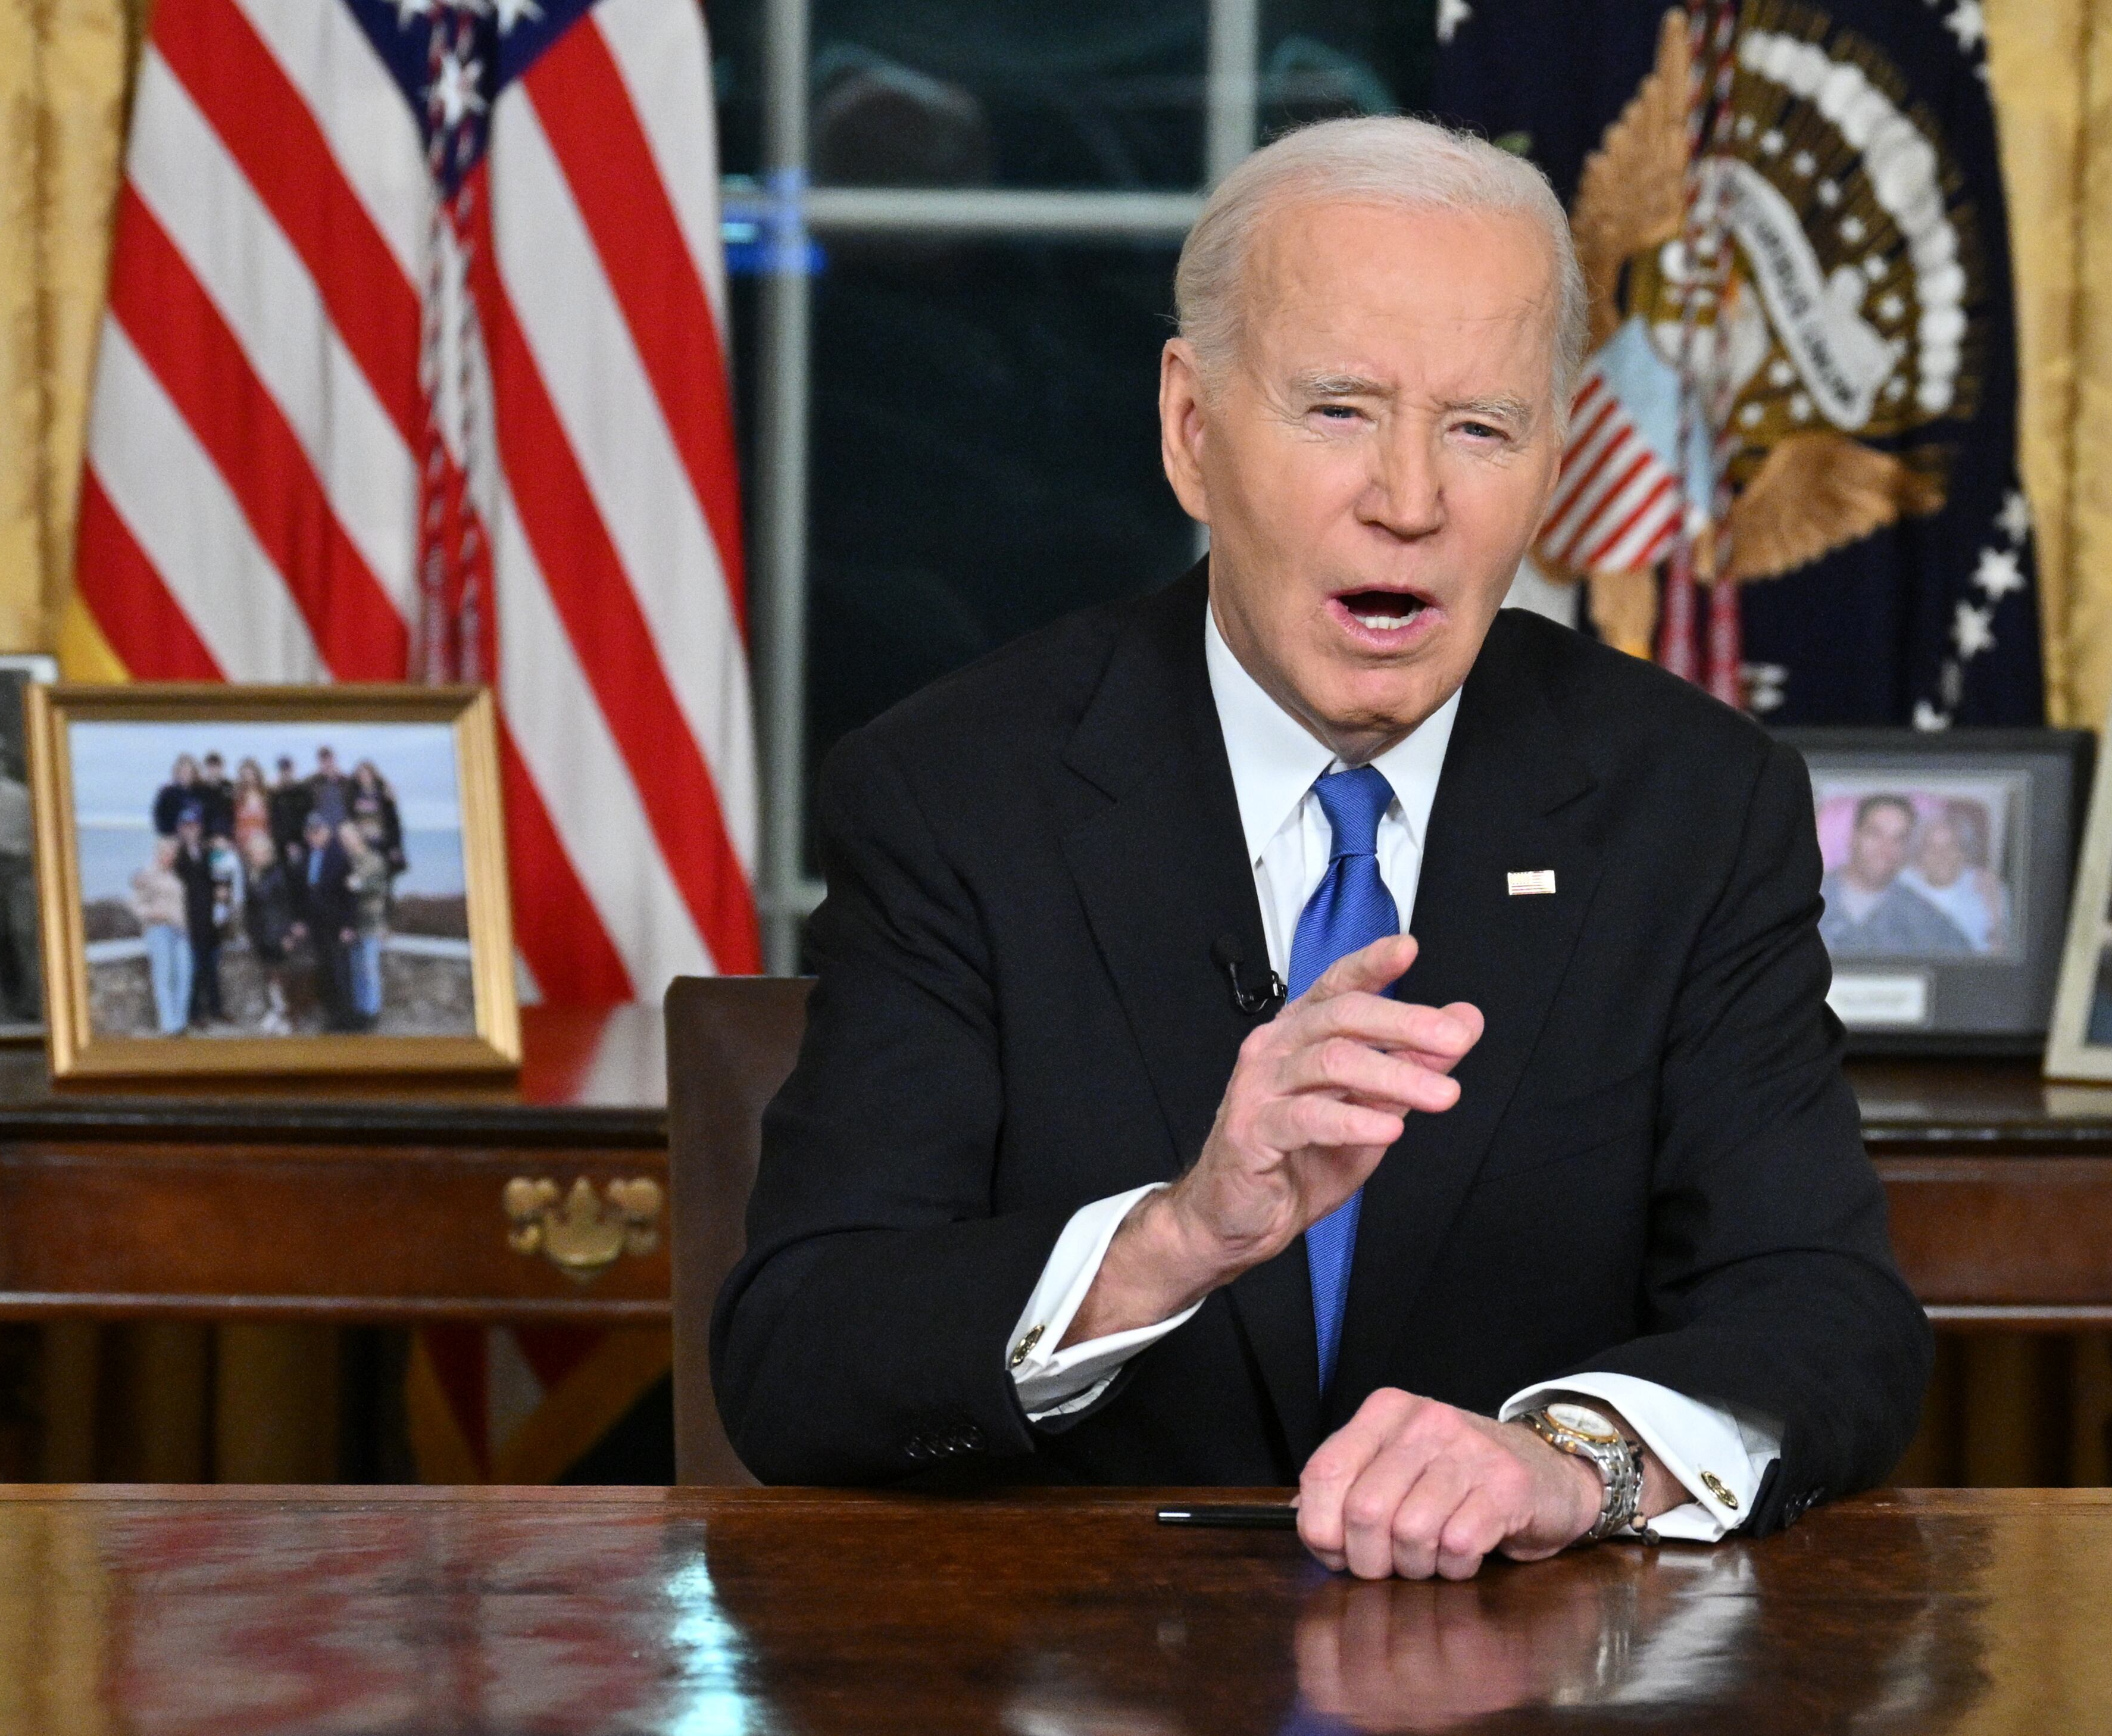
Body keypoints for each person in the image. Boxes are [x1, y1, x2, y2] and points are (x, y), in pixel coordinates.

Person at [715, 117, 1929, 1582]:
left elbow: (1825, 1312)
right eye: (1339, 409)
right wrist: (1174, 1235)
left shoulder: (1691, 803)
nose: (1408, 499)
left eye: (1478, 426)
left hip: (1528, 1674)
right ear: (1189, 429)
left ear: (1551, 456)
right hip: (1079, 1655)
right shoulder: (954, 792)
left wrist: (1570, 1462)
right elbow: (799, 1349)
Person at [1818, 795, 1974, 956]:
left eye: (1899, 839)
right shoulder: (1803, 899)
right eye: (1875, 834)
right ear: (1853, 837)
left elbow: (1968, 966)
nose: (1886, 849)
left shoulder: (1923, 917)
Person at [0, 728, 37, 1022]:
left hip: (17, 869)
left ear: (2, 762)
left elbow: (34, 835)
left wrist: (25, 862)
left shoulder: (20, 796)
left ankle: (31, 999)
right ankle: (8, 1000)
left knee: (23, 931)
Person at [290, 810, 359, 1031]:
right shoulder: (305, 857)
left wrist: (349, 926)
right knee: (326, 973)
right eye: (310, 832)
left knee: (341, 974)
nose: (314, 836)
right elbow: (300, 894)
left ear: (327, 832)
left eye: (318, 831)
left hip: (337, 925)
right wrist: (300, 921)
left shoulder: (341, 856)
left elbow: (351, 895)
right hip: (316, 926)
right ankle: (332, 1019)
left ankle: (347, 1022)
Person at [1901, 810, 2005, 954]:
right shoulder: (1901, 883)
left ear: (1964, 853)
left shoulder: (1986, 888)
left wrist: (1995, 920)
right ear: (1919, 856)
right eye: (1931, 847)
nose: (1942, 855)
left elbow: (2000, 955)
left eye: (1951, 846)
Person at [235, 829, 296, 1034]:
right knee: (269, 975)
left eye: (260, 852)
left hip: (277, 933)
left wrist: (288, 934)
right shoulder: (252, 874)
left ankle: (285, 1015)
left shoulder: (278, 874)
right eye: (253, 853)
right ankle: (276, 1011)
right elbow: (251, 907)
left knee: (282, 975)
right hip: (261, 934)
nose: (256, 856)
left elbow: (287, 906)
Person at [169, 806, 223, 1026]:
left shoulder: (207, 851)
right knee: (192, 968)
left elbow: (217, 876)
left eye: (194, 826)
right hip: (189, 919)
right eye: (186, 826)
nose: (191, 830)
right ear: (181, 829)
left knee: (212, 967)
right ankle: (194, 1014)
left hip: (210, 918)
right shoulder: (176, 854)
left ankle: (216, 1009)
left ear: (200, 828)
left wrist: (220, 891)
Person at [131, 837, 189, 1035]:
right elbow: (136, 905)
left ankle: (180, 1023)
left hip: (181, 931)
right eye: (165, 853)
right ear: (158, 853)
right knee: (164, 976)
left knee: (184, 975)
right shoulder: (147, 875)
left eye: (172, 854)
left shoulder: (178, 875)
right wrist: (153, 913)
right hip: (159, 930)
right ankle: (169, 1025)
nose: (169, 857)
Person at [340, 818, 389, 1025]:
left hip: (371, 923)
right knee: (356, 969)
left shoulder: (373, 860)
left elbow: (380, 887)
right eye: (343, 838)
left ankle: (372, 1013)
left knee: (370, 970)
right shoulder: (345, 862)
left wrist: (360, 885)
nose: (347, 841)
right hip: (353, 923)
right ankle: (360, 1012)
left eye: (349, 837)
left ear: (358, 837)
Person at [350, 760, 405, 876]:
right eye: (361, 775)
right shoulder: (354, 795)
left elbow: (394, 823)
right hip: (361, 844)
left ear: (373, 775)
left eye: (367, 774)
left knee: (381, 876)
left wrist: (395, 847)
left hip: (381, 843)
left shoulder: (384, 795)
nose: (364, 777)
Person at [268, 755, 311, 858]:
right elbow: (275, 821)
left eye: (288, 769)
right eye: (283, 770)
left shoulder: (303, 793)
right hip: (281, 846)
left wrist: (298, 842)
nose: (285, 773)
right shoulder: (275, 795)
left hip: (302, 844)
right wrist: (285, 842)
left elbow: (307, 819)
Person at [152, 754, 202, 837]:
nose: (185, 775)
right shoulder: (167, 794)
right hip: (173, 836)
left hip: (197, 837)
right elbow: (160, 818)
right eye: (182, 772)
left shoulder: (201, 793)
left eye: (188, 772)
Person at [232, 759, 271, 861]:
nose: (249, 779)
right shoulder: (237, 798)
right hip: (242, 845)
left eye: (251, 775)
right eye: (245, 776)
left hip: (261, 846)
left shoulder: (267, 797)